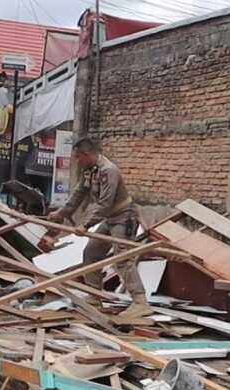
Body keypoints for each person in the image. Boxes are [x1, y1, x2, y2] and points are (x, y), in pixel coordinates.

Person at [47, 137, 152, 320]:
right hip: (109, 218)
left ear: (87, 154)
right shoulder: (90, 170)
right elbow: (79, 193)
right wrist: (61, 213)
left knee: (122, 259)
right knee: (92, 253)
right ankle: (94, 295)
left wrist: (85, 225)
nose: (77, 161)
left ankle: (140, 302)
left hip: (124, 218)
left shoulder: (109, 171)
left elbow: (105, 204)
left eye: (79, 157)